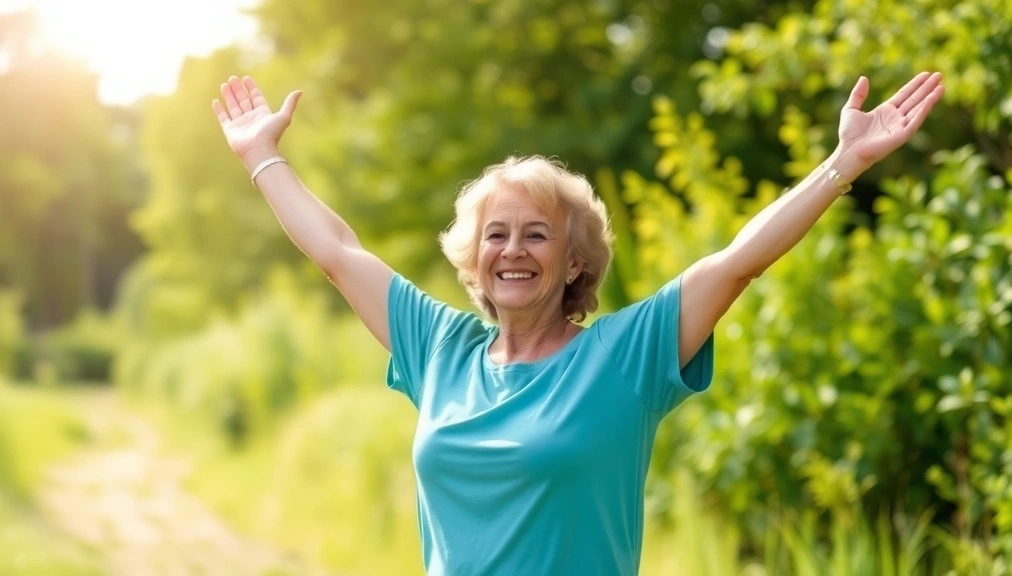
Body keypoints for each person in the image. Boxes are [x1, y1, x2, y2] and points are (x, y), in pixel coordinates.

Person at [212, 71, 944, 575]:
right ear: (475, 255)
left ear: (572, 263)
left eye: (538, 234)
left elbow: (735, 263)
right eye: (496, 234)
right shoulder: (441, 348)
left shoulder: (626, 358)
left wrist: (842, 164)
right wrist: (263, 156)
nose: (513, 250)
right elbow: (339, 252)